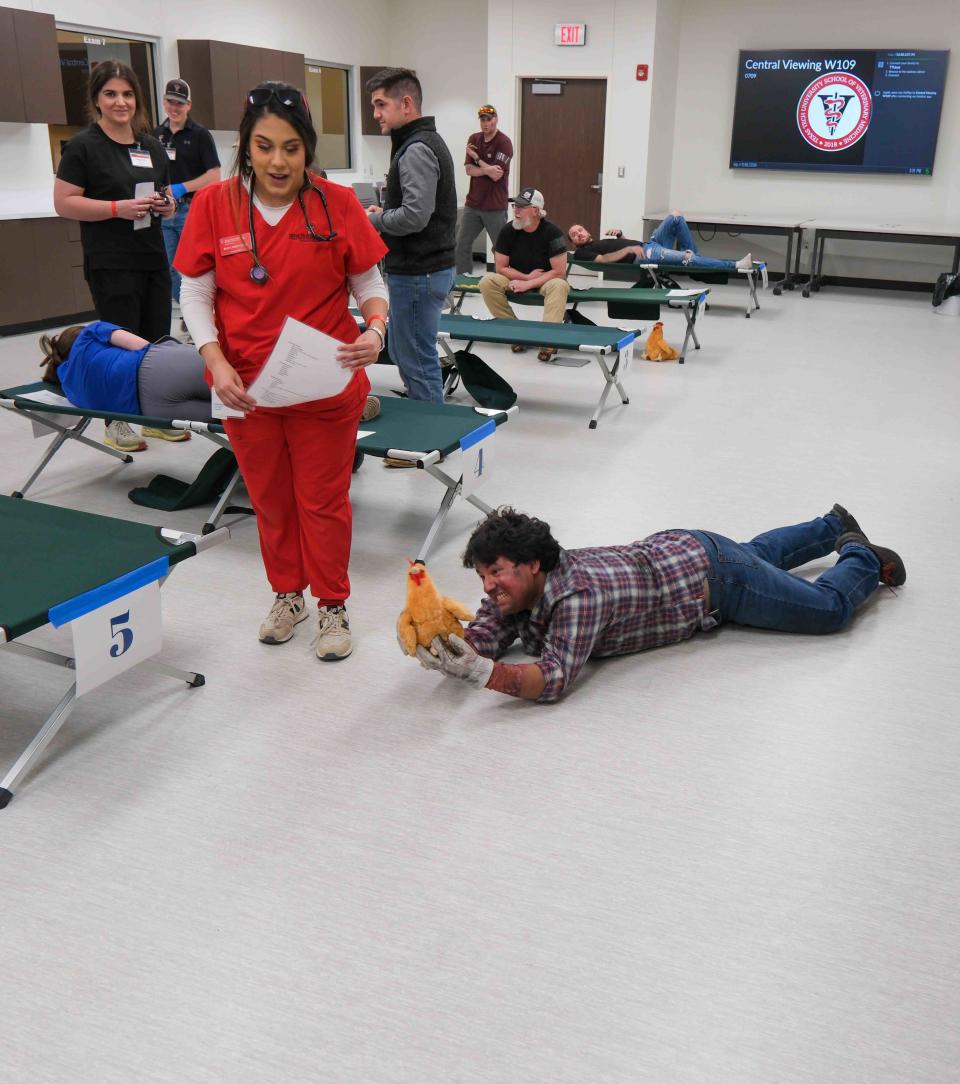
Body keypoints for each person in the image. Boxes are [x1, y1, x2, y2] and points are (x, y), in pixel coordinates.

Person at [174, 81, 389, 660]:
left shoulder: (335, 204)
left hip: (324, 382)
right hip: (244, 386)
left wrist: (375, 329)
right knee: (269, 499)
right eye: (264, 146)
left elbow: (368, 280)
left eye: (291, 148)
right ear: (245, 146)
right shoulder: (215, 204)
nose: (277, 161)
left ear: (307, 149)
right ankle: (288, 595)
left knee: (322, 500)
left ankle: (333, 604)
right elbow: (195, 290)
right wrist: (213, 359)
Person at [401, 506, 906, 704]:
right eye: (483, 574)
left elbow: (553, 680)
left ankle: (859, 553)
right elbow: (490, 631)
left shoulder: (578, 597)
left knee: (827, 611)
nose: (488, 587)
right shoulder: (520, 585)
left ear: (533, 563)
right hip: (684, 548)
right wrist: (449, 645)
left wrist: (479, 674)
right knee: (758, 555)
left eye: (497, 572)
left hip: (716, 581)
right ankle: (827, 523)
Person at [53, 59, 177, 453]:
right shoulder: (83, 147)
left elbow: (164, 191)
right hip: (111, 260)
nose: (120, 102)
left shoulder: (151, 146)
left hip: (152, 255)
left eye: (127, 94)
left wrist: (168, 206)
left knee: (157, 341)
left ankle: (155, 417)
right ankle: (117, 422)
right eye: (111, 94)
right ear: (96, 99)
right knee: (119, 343)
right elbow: (64, 203)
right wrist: (115, 209)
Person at [364, 68, 457, 405]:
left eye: (380, 105)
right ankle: (427, 427)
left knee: (416, 360)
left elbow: (416, 217)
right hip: (421, 270)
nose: (375, 114)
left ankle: (430, 436)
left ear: (406, 104)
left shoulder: (417, 148)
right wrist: (385, 214)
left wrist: (376, 221)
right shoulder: (418, 143)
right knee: (408, 354)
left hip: (420, 272)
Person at [38, 323, 211, 422]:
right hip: (157, 367)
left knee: (233, 412)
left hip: (151, 410)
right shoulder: (89, 333)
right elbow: (142, 345)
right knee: (233, 376)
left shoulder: (71, 391)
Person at [152, 78, 221, 324]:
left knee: (195, 269)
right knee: (170, 269)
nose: (175, 107)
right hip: (163, 213)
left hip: (192, 210)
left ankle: (203, 318)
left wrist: (182, 188)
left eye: (180, 103)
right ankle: (190, 317)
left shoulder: (201, 135)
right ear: (164, 102)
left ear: (188, 105)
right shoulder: (155, 135)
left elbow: (214, 176)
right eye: (170, 102)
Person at [479, 188, 570, 362]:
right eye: (515, 205)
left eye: (522, 206)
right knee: (487, 281)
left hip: (547, 279)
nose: (516, 210)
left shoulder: (553, 232)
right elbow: (500, 267)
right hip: (518, 277)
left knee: (559, 285)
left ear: (536, 211)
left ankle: (548, 341)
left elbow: (559, 272)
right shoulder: (508, 230)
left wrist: (529, 284)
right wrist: (526, 278)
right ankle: (515, 333)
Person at [568, 213, 754, 273]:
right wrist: (629, 249)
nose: (578, 234)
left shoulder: (598, 241)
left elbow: (621, 249)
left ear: (587, 231)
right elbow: (603, 260)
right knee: (688, 257)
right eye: (574, 235)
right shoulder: (581, 252)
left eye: (580, 230)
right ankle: (735, 265)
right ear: (573, 243)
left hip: (650, 245)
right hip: (647, 255)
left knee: (675, 217)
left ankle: (694, 260)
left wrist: (621, 238)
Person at [454, 104, 513, 275]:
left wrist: (477, 158)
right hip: (473, 204)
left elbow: (497, 176)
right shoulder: (474, 139)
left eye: (489, 119)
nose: (485, 123)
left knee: (500, 248)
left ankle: (500, 281)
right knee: (461, 243)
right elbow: (468, 170)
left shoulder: (504, 142)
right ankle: (462, 280)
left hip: (495, 206)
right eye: (482, 120)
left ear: (496, 119)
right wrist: (487, 169)